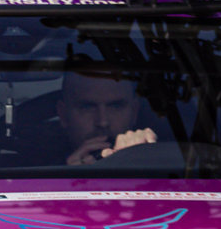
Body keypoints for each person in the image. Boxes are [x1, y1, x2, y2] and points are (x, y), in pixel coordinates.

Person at [20, 53, 159, 167]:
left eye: (116, 106)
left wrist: (148, 159)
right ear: (63, 115)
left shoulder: (169, 165)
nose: (102, 122)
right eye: (87, 107)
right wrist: (71, 179)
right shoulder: (37, 178)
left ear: (134, 112)